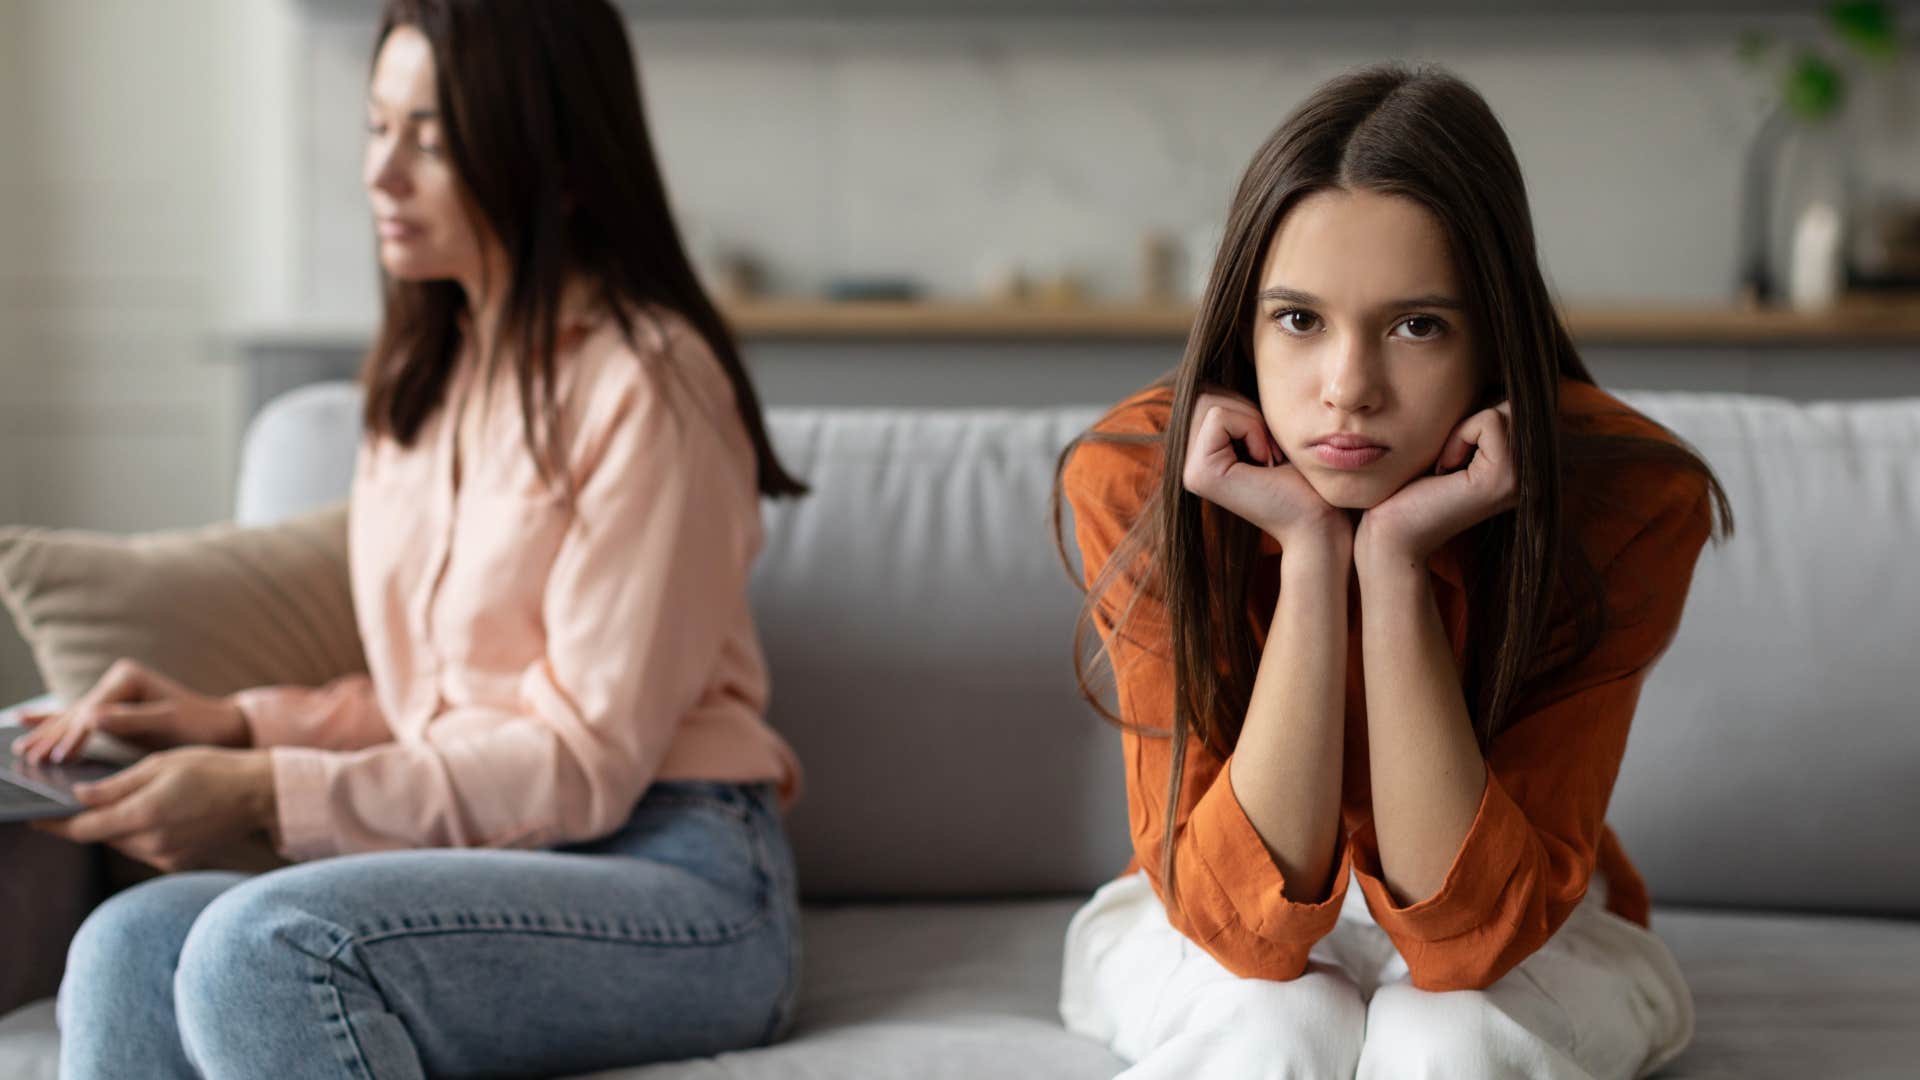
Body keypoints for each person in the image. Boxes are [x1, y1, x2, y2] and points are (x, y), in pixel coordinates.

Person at [11, 1, 807, 1075]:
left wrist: (261, 791)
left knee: (264, 950)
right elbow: (455, 703)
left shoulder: (651, 384)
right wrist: (236, 723)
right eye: (378, 128)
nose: (384, 174)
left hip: (683, 873)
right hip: (481, 847)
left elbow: (578, 763)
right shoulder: (417, 393)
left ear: (556, 154)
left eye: (432, 139)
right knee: (123, 943)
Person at [1052, 62, 1731, 1079]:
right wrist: (1313, 557)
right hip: (1189, 910)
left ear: (1493, 334)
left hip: (1534, 919)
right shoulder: (1138, 476)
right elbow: (1241, 930)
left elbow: (1472, 942)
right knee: (1273, 1022)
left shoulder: (1625, 496)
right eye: (1298, 320)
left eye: (1417, 326)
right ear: (1242, 323)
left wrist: (1398, 562)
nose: (1348, 391)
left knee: (1449, 1037)